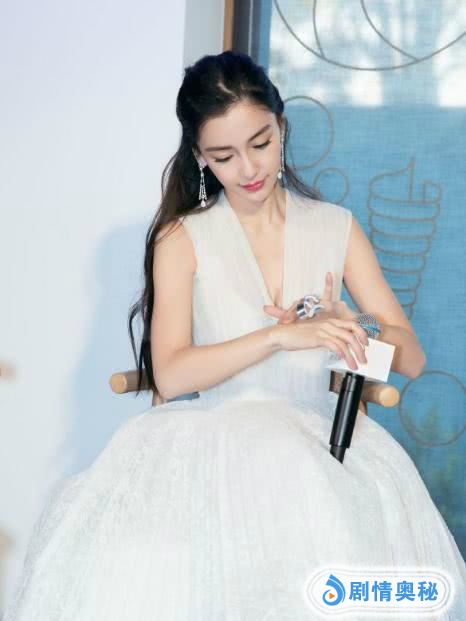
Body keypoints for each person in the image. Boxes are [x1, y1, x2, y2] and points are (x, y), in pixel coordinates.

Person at [4, 51, 466, 621]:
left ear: (281, 128)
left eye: (261, 143)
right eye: (224, 156)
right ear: (200, 157)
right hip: (218, 443)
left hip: (323, 445)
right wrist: (278, 338)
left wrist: (353, 326)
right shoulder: (183, 237)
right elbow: (172, 374)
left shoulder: (335, 228)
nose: (249, 168)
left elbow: (412, 359)